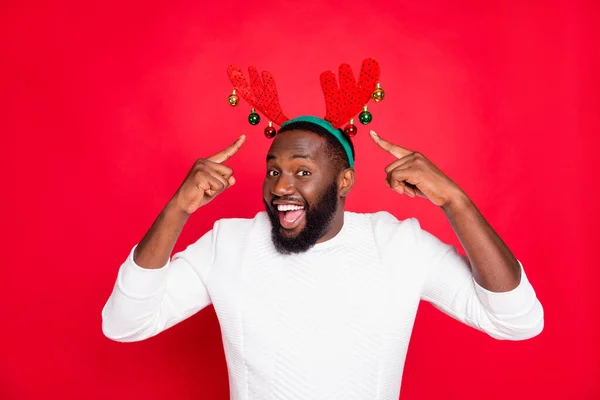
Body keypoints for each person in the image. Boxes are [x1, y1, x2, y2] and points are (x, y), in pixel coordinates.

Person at [102, 117, 543, 399]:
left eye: (303, 171)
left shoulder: (397, 245)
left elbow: (517, 320)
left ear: (345, 179)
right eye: (273, 170)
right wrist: (178, 208)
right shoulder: (229, 244)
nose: (279, 187)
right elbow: (124, 324)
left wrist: (455, 202)